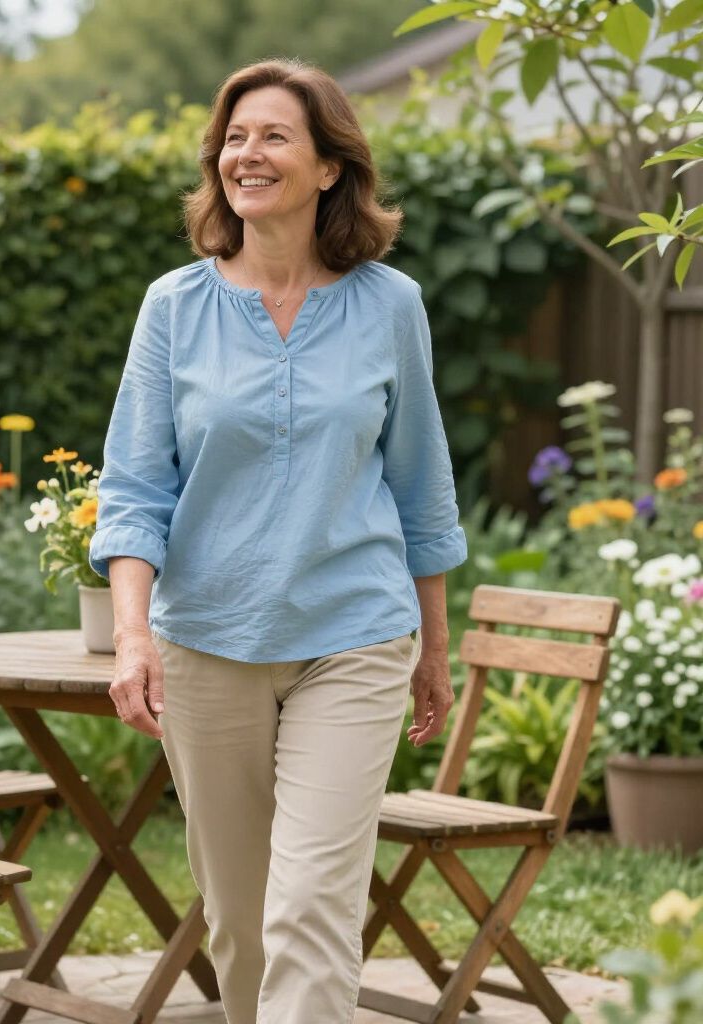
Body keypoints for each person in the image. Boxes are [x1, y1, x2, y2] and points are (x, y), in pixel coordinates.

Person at [88, 57, 467, 1024]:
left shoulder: (392, 305)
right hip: (207, 641)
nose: (245, 155)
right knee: (243, 925)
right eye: (233, 138)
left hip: (354, 636)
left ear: (330, 166)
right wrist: (132, 635)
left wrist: (435, 646)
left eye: (273, 136)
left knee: (311, 910)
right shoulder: (174, 307)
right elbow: (135, 490)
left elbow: (421, 487)